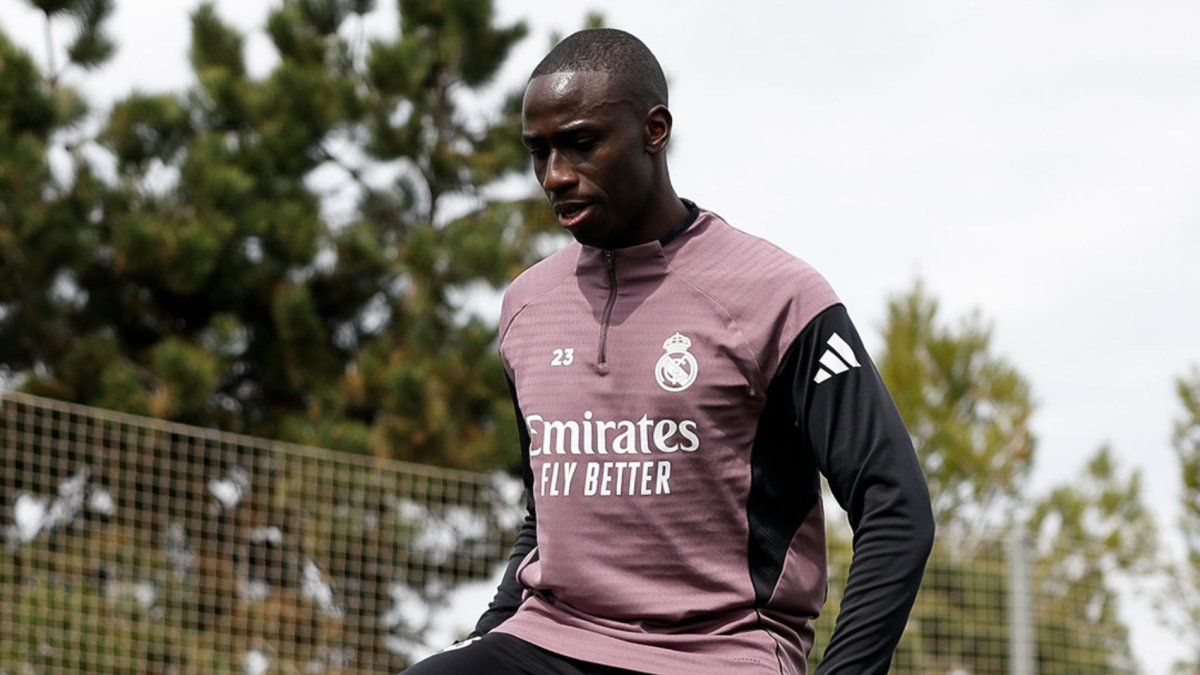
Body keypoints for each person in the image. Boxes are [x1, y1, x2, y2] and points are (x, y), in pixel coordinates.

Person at [404, 28, 935, 675]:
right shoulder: (526, 306)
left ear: (654, 130)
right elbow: (544, 511)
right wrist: (485, 635)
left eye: (580, 143)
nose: (555, 176)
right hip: (553, 636)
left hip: (719, 653)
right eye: (537, 152)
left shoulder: (777, 296)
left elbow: (895, 503)